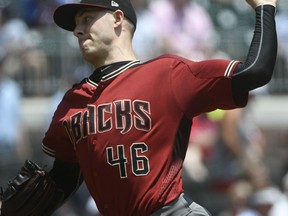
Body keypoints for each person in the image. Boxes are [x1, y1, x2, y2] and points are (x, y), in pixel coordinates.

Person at [2, 0, 278, 215]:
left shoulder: (168, 74)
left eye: (87, 19)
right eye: (76, 24)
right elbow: (63, 179)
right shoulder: (72, 102)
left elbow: (256, 72)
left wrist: (264, 8)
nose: (77, 30)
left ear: (118, 19)